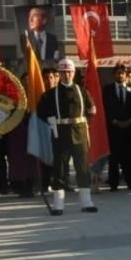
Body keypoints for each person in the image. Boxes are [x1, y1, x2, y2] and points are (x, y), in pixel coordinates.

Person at [36, 59, 98, 215]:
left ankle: (86, 202)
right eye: (63, 72)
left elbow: (92, 109)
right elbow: (41, 112)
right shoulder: (50, 94)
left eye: (69, 72)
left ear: (74, 73)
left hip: (80, 133)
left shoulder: (82, 91)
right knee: (60, 169)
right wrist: (51, 121)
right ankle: (58, 205)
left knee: (83, 168)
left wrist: (85, 122)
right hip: (61, 134)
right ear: (59, 74)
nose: (66, 75)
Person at [102, 64, 131, 191]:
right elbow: (105, 109)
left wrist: (130, 121)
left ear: (126, 75)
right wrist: (115, 121)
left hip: (130, 131)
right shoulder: (107, 90)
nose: (120, 75)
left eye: (122, 73)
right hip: (113, 130)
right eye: (118, 73)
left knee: (130, 158)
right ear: (114, 75)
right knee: (113, 159)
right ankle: (113, 184)